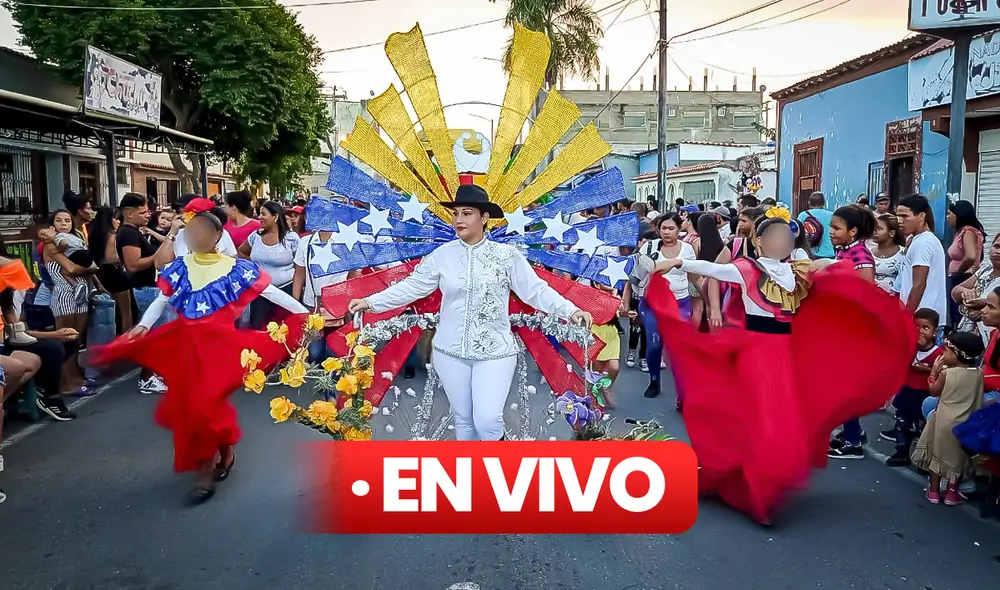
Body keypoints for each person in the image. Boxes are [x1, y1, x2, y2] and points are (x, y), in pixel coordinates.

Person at [643, 206, 914, 525]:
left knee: (782, 418)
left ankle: (761, 480)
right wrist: (676, 262)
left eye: (786, 236)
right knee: (762, 418)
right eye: (773, 236)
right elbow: (711, 269)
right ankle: (759, 494)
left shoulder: (798, 269)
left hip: (786, 352)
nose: (781, 242)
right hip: (756, 351)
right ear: (758, 242)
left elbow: (831, 274)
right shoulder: (746, 268)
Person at [94, 211, 311, 503]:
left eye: (202, 233)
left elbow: (271, 292)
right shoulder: (180, 267)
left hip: (218, 352)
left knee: (204, 408)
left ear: (218, 236)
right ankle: (225, 453)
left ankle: (205, 473)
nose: (196, 238)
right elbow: (162, 300)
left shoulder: (236, 269)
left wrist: (305, 315)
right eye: (191, 233)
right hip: (186, 350)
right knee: (193, 409)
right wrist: (144, 325)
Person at [347, 185, 592, 441]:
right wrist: (370, 302)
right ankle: (475, 477)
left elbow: (536, 291)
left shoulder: (507, 256)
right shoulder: (441, 256)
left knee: (487, 420)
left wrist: (571, 310)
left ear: (484, 218)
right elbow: (411, 288)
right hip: (449, 351)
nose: (459, 220)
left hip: (495, 352)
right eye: (456, 214)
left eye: (467, 213)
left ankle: (499, 462)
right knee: (464, 424)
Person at [911, 331, 984, 506]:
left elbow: (933, 391)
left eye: (947, 351)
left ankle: (934, 492)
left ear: (958, 354)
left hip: (943, 421)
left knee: (938, 457)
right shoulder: (979, 373)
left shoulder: (947, 374)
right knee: (956, 458)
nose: (943, 354)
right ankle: (952, 494)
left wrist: (933, 372)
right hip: (965, 423)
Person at [632, 213, 695, 402]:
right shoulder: (649, 248)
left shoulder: (688, 249)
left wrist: (707, 303)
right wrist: (628, 303)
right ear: (658, 230)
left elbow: (694, 277)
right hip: (653, 305)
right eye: (663, 228)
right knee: (654, 344)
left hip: (680, 303)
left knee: (679, 349)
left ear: (679, 229)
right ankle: (654, 381)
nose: (667, 232)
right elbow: (635, 277)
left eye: (671, 228)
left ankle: (683, 394)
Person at [116, 193, 168, 394]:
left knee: (158, 334)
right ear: (129, 214)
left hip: (149, 287)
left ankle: (153, 373)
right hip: (145, 289)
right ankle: (146, 377)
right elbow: (133, 264)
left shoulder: (133, 231)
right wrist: (158, 255)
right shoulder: (128, 233)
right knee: (153, 335)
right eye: (143, 212)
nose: (148, 215)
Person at [881, 309, 943, 467]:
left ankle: (924, 459)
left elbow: (944, 374)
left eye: (925, 328)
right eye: (916, 327)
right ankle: (901, 452)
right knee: (902, 423)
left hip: (924, 394)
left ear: (935, 332)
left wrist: (928, 370)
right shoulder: (909, 347)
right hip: (907, 390)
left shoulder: (939, 354)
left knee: (923, 427)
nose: (920, 331)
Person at [239, 201, 300, 328]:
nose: (259, 217)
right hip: (261, 291)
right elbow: (241, 251)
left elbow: (300, 264)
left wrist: (296, 294)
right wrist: (254, 268)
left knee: (286, 328)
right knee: (258, 326)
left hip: (286, 290)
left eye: (263, 214)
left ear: (275, 216)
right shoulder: (255, 236)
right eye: (259, 213)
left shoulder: (291, 238)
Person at [897, 194, 948, 323]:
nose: (899, 220)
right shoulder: (922, 240)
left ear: (921, 216)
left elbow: (919, 285)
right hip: (926, 318)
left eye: (905, 216)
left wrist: (906, 317)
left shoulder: (923, 243)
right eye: (898, 216)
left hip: (922, 320)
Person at [90, 206, 133, 334]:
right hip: (114, 275)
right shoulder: (111, 235)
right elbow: (110, 257)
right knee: (126, 312)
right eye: (116, 219)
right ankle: (127, 339)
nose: (119, 222)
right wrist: (126, 258)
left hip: (100, 274)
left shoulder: (94, 235)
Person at [951, 233, 1000, 344]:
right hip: (968, 332)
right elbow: (955, 292)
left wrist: (982, 303)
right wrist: (965, 292)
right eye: (996, 246)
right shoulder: (985, 270)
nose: (998, 251)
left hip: (991, 335)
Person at [946, 200, 985, 327]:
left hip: (964, 278)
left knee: (959, 313)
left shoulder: (968, 231)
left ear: (958, 215)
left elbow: (971, 256)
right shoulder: (960, 232)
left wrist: (958, 272)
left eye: (949, 214)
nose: (947, 217)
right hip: (959, 277)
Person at [872, 213, 905, 294]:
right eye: (873, 228)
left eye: (879, 229)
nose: (874, 232)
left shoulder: (904, 254)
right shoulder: (868, 253)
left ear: (892, 233)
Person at [797, 192, 835, 259]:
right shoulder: (832, 215)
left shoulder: (803, 215)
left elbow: (798, 233)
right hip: (828, 252)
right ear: (824, 203)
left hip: (809, 252)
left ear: (809, 202)